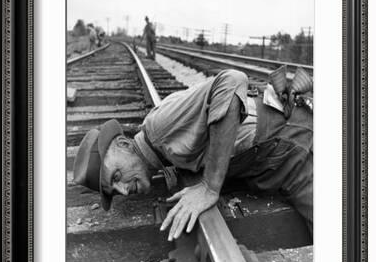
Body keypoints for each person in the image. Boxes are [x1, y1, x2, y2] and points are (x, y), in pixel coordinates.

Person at [73, 66, 313, 241]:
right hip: (280, 161)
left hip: (296, 147)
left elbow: (232, 80)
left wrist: (210, 186)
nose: (124, 190)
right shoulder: (160, 150)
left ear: (124, 144)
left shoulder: (158, 127)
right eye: (114, 192)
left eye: (116, 177)